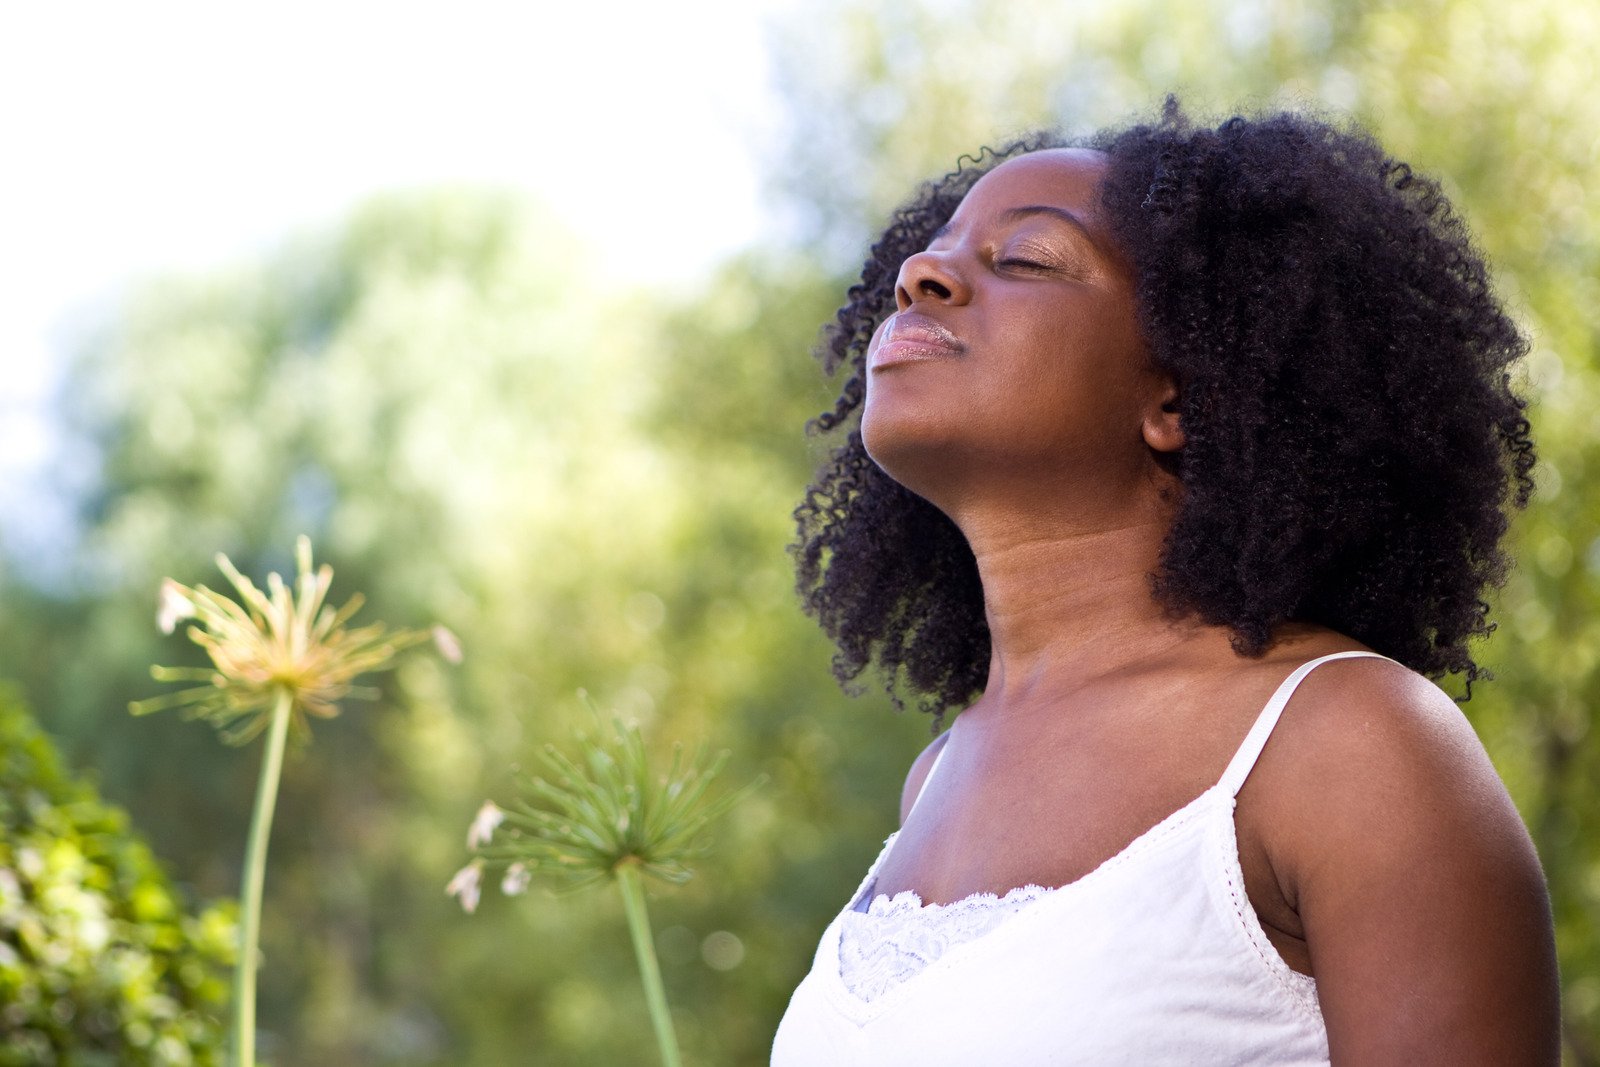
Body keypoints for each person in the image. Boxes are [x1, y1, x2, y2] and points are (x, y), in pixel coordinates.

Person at [771, 101, 1562, 1064]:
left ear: (1179, 398)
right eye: (933, 254)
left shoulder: (1349, 743)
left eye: (1024, 259)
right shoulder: (936, 780)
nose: (920, 275)